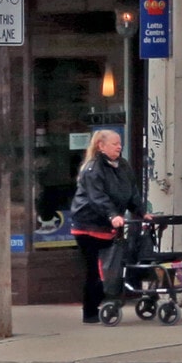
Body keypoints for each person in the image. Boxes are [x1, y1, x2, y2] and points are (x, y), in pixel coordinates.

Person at [69, 128, 140, 323]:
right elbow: (97, 197)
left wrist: (142, 212)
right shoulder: (93, 169)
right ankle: (90, 311)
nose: (119, 146)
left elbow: (131, 192)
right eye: (114, 143)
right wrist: (112, 215)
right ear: (101, 146)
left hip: (109, 224)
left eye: (120, 143)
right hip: (88, 224)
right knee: (95, 268)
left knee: (112, 265)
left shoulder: (123, 166)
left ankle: (109, 300)